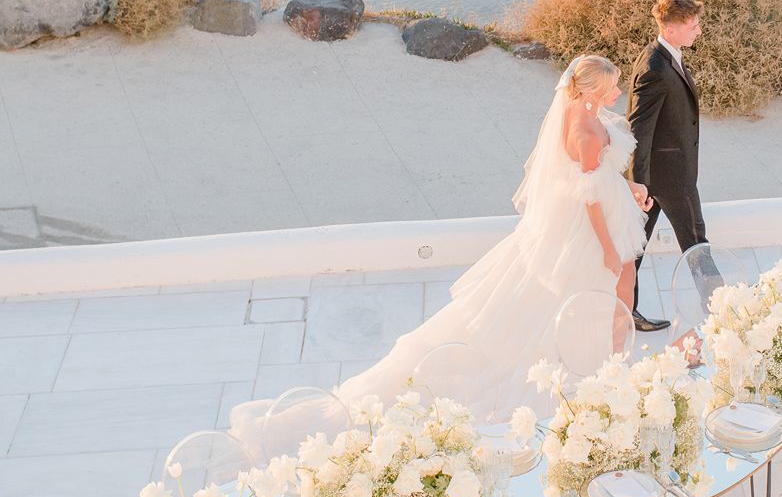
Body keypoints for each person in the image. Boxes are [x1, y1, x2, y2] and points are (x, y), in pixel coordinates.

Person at [228, 55, 652, 446]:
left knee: (610, 293)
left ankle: (611, 363)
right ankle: (606, 368)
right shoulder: (582, 129)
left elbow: (596, 180)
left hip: (601, 217)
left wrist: (631, 189)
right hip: (587, 231)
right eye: (611, 87)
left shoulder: (588, 117)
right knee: (600, 291)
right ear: (591, 90)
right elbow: (590, 197)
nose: (618, 93)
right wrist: (608, 248)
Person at [627, 0, 706, 331]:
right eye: (692, 26)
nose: (698, 31)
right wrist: (638, 182)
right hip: (668, 178)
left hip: (661, 175)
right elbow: (638, 129)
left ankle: (623, 311)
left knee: (634, 247)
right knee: (697, 242)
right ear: (671, 30)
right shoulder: (655, 68)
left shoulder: (663, 54)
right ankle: (726, 313)